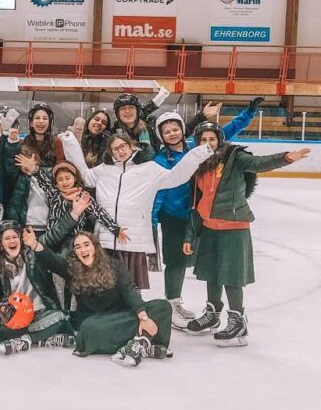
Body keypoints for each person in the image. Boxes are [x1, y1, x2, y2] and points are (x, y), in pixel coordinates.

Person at [183, 122, 310, 346]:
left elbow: (258, 163)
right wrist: (189, 235)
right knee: (211, 272)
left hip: (233, 227)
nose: (208, 143)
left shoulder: (235, 157)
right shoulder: (199, 164)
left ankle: (237, 321)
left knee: (231, 275)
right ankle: (212, 314)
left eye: (212, 139)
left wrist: (287, 158)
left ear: (219, 140)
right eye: (203, 140)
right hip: (209, 227)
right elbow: (195, 201)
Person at [152, 99, 259, 329]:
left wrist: (248, 114)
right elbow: (157, 192)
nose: (172, 134)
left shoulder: (196, 148)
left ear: (182, 130)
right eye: (167, 132)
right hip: (173, 216)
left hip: (200, 215)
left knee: (209, 261)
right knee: (176, 261)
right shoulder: (160, 160)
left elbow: (225, 132)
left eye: (175, 129)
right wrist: (153, 220)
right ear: (161, 136)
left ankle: (213, 310)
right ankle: (172, 304)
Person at [60, 129, 212, 290]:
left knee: (131, 287)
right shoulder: (103, 169)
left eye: (123, 146)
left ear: (130, 145)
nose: (120, 151)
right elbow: (84, 175)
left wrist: (199, 153)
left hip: (132, 239)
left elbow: (175, 177)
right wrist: (69, 142)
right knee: (105, 285)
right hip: (106, 237)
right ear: (110, 151)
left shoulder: (149, 168)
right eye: (115, 149)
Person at [40, 209, 174, 367]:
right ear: (75, 252)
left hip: (122, 317)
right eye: (78, 247)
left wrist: (143, 317)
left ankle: (139, 343)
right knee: (89, 329)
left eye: (86, 245)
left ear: (95, 247)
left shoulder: (113, 265)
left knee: (163, 307)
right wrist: (35, 245)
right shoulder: (72, 270)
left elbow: (129, 290)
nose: (83, 250)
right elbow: (52, 261)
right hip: (100, 322)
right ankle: (143, 342)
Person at [0, 221, 75, 355]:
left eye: (15, 237)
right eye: (7, 238)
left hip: (40, 312)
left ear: (20, 239)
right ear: (1, 243)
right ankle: (44, 338)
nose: (12, 241)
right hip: (15, 317)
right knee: (0, 331)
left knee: (61, 318)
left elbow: (64, 268)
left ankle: (25, 341)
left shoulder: (33, 254)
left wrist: (36, 245)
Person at [110, 87, 170, 159]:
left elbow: (159, 153)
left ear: (137, 111)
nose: (127, 111)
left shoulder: (150, 130)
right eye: (122, 108)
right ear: (117, 114)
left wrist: (161, 96)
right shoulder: (112, 133)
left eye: (131, 107)